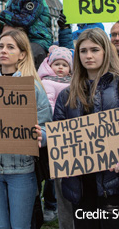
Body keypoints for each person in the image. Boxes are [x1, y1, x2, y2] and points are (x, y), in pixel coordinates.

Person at [53, 28, 119, 229]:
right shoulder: (67, 94)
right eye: (83, 51)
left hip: (114, 184)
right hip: (80, 186)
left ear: (106, 52)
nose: (88, 56)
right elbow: (59, 133)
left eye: (94, 50)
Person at [0, 30, 52, 229]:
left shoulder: (34, 88)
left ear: (23, 54)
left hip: (21, 170)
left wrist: (39, 136)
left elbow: (47, 129)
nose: (3, 51)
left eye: (10, 47)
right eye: (0, 47)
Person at [37, 46, 74, 225]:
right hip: (52, 131)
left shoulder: (73, 82)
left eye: (64, 64)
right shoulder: (47, 82)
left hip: (69, 132)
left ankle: (57, 205)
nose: (60, 67)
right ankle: (50, 205)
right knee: (52, 173)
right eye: (57, 64)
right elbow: (49, 106)